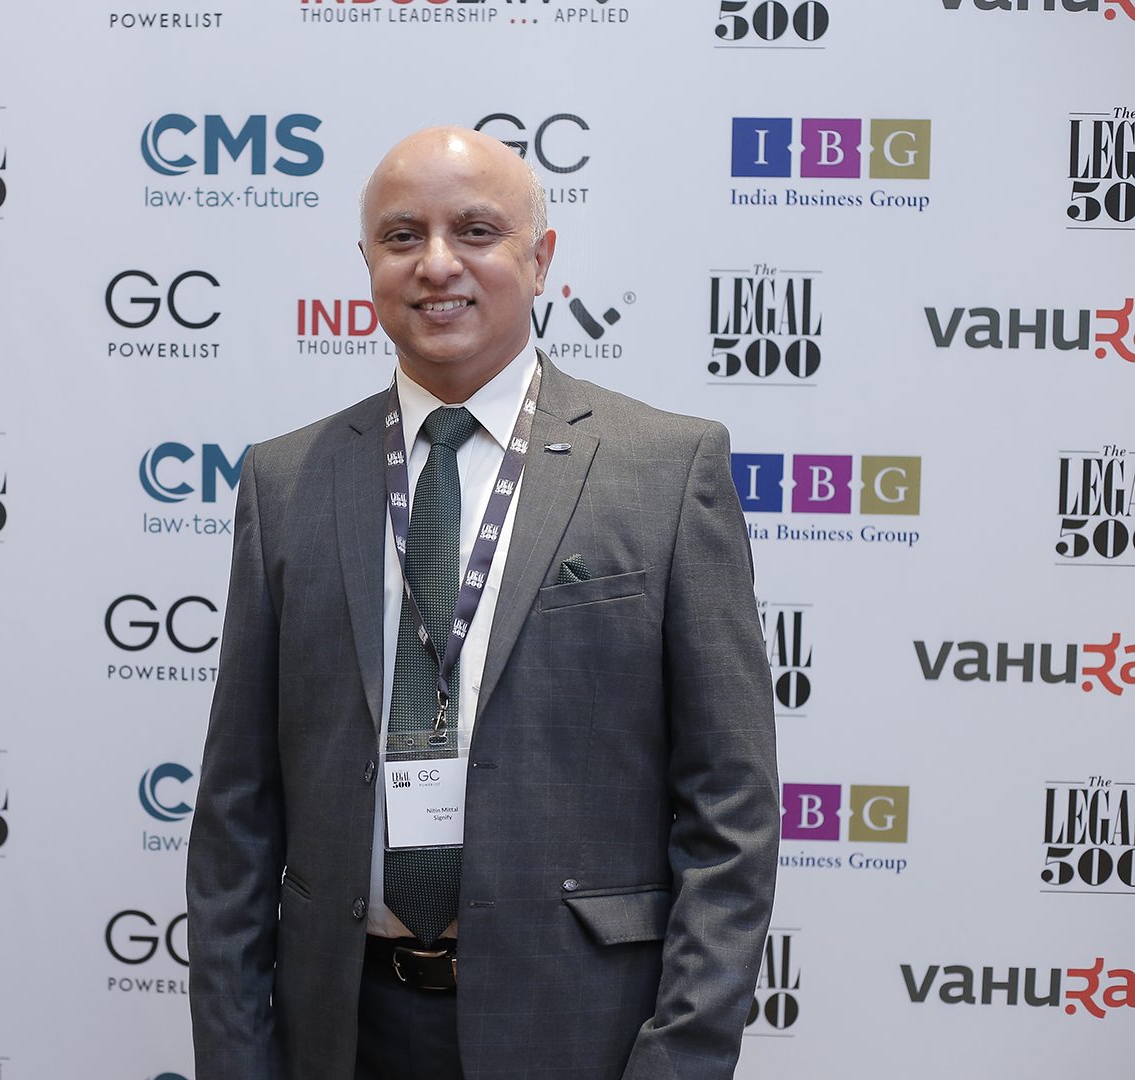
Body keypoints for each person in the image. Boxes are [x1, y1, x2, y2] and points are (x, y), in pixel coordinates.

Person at [187, 126, 778, 1080]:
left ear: (540, 259)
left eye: (475, 231)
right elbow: (235, 815)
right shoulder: (286, 481)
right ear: (368, 263)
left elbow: (731, 810)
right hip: (342, 1030)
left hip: (584, 1030)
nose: (436, 264)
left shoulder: (667, 471)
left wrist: (679, 1061)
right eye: (401, 236)